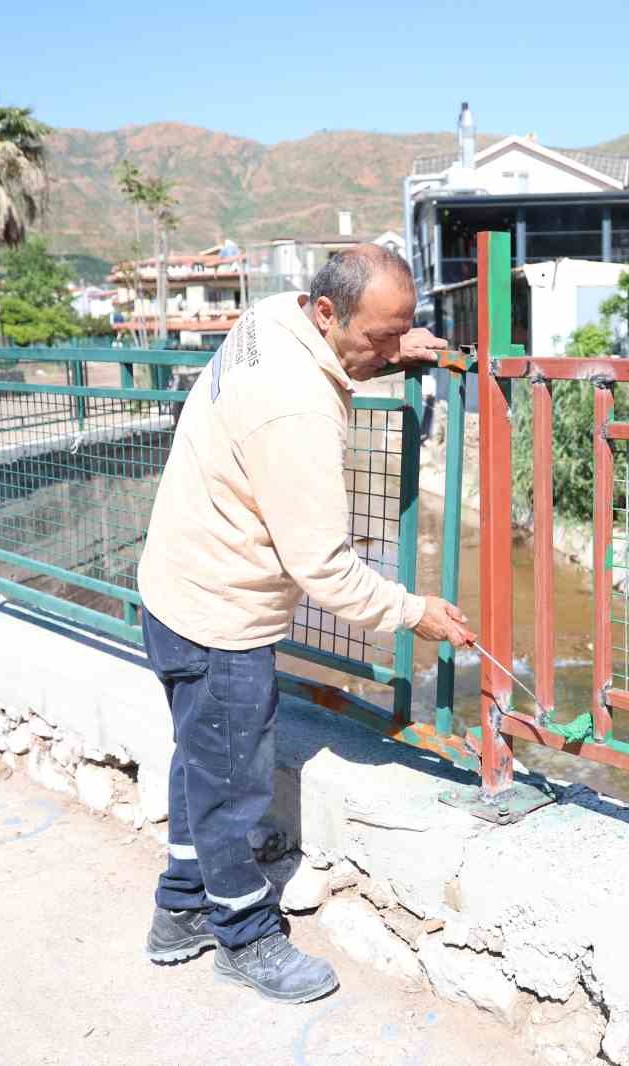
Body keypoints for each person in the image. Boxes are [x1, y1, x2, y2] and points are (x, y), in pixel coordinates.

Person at [135, 244, 475, 1004]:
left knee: (202, 757)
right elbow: (324, 569)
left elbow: (344, 349)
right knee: (232, 786)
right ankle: (243, 936)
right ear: (327, 312)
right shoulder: (295, 407)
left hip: (174, 585)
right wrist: (414, 612)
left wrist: (390, 351)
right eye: (382, 336)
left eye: (403, 331)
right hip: (221, 613)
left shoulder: (271, 317)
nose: (391, 348)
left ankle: (178, 912)